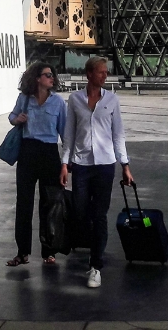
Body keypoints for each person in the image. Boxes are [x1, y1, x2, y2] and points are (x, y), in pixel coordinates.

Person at [61, 56, 132, 289]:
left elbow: (118, 134)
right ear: (89, 74)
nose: (105, 75)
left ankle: (96, 266)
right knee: (82, 211)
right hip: (81, 163)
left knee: (99, 214)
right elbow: (69, 133)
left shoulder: (112, 100)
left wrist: (125, 164)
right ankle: (91, 245)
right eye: (101, 72)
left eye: (106, 72)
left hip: (104, 165)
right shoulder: (75, 99)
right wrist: (65, 163)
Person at [4, 61, 67, 267]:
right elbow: (12, 117)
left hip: (49, 153)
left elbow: (65, 134)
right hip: (28, 152)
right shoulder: (24, 99)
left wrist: (67, 163)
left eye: (52, 75)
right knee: (24, 203)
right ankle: (22, 252)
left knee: (50, 204)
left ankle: (49, 251)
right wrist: (18, 119)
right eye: (47, 74)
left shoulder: (58, 103)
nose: (52, 78)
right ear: (37, 78)